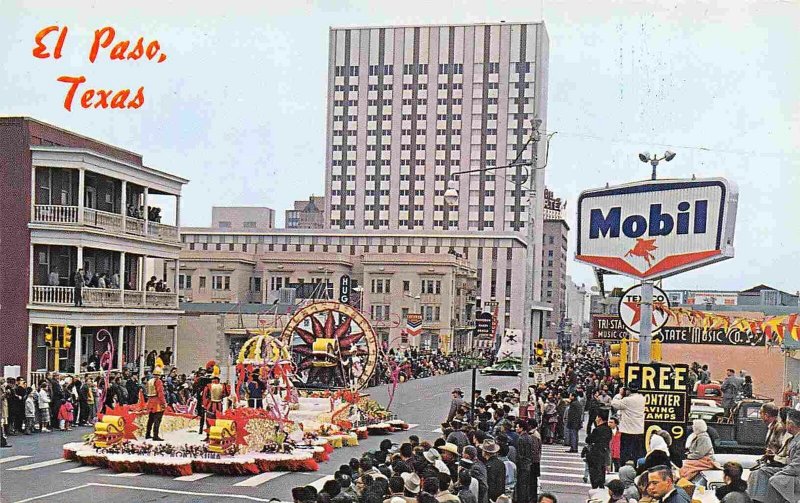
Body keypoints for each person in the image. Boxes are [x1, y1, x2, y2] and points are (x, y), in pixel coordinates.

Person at [761, 409, 800, 503]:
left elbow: (796, 466)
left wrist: (780, 472)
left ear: (791, 424)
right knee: (762, 472)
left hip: (797, 474)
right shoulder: (793, 439)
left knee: (776, 479)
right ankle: (758, 500)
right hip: (790, 470)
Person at [612, 380, 646, 466]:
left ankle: (623, 468)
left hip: (627, 431)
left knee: (625, 453)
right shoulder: (642, 398)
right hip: (639, 430)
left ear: (629, 389)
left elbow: (614, 404)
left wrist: (620, 394)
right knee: (637, 453)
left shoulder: (627, 400)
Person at [585, 407, 612, 488]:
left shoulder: (597, 430)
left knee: (594, 474)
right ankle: (600, 485)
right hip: (604, 453)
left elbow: (588, 440)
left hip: (595, 453)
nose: (596, 419)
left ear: (599, 418)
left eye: (597, 417)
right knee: (601, 471)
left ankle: (596, 487)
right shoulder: (608, 429)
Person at [144, 363, 167, 441]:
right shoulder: (158, 381)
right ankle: (155, 435)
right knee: (157, 419)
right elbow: (160, 393)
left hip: (150, 401)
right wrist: (164, 403)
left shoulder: (150, 380)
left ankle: (147, 434)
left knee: (151, 419)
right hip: (157, 402)